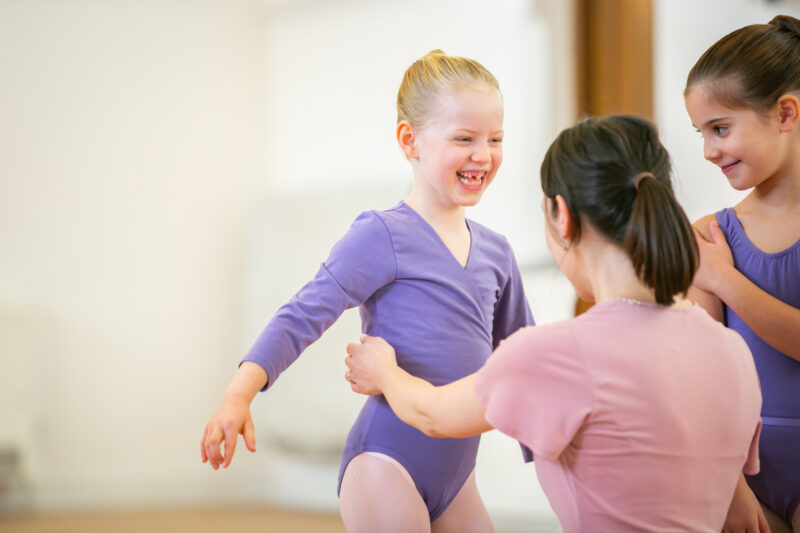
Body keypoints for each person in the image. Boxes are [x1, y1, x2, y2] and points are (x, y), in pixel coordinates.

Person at [345, 115, 763, 533]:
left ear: (562, 216)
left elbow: (432, 414)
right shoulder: (732, 351)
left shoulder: (555, 355)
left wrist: (385, 372)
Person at [200, 50, 534, 533]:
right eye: (464, 138)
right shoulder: (382, 235)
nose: (482, 154)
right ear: (410, 140)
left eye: (495, 139)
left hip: (459, 477)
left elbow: (524, 357)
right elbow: (302, 314)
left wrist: (550, 451)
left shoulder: (498, 254)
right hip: (386, 462)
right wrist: (238, 395)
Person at [684, 14, 800, 533]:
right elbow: (701, 383)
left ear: (786, 113)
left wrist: (727, 282)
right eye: (701, 133)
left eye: (721, 128)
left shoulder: (717, 262)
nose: (709, 151)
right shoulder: (711, 238)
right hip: (741, 474)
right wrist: (727, 485)